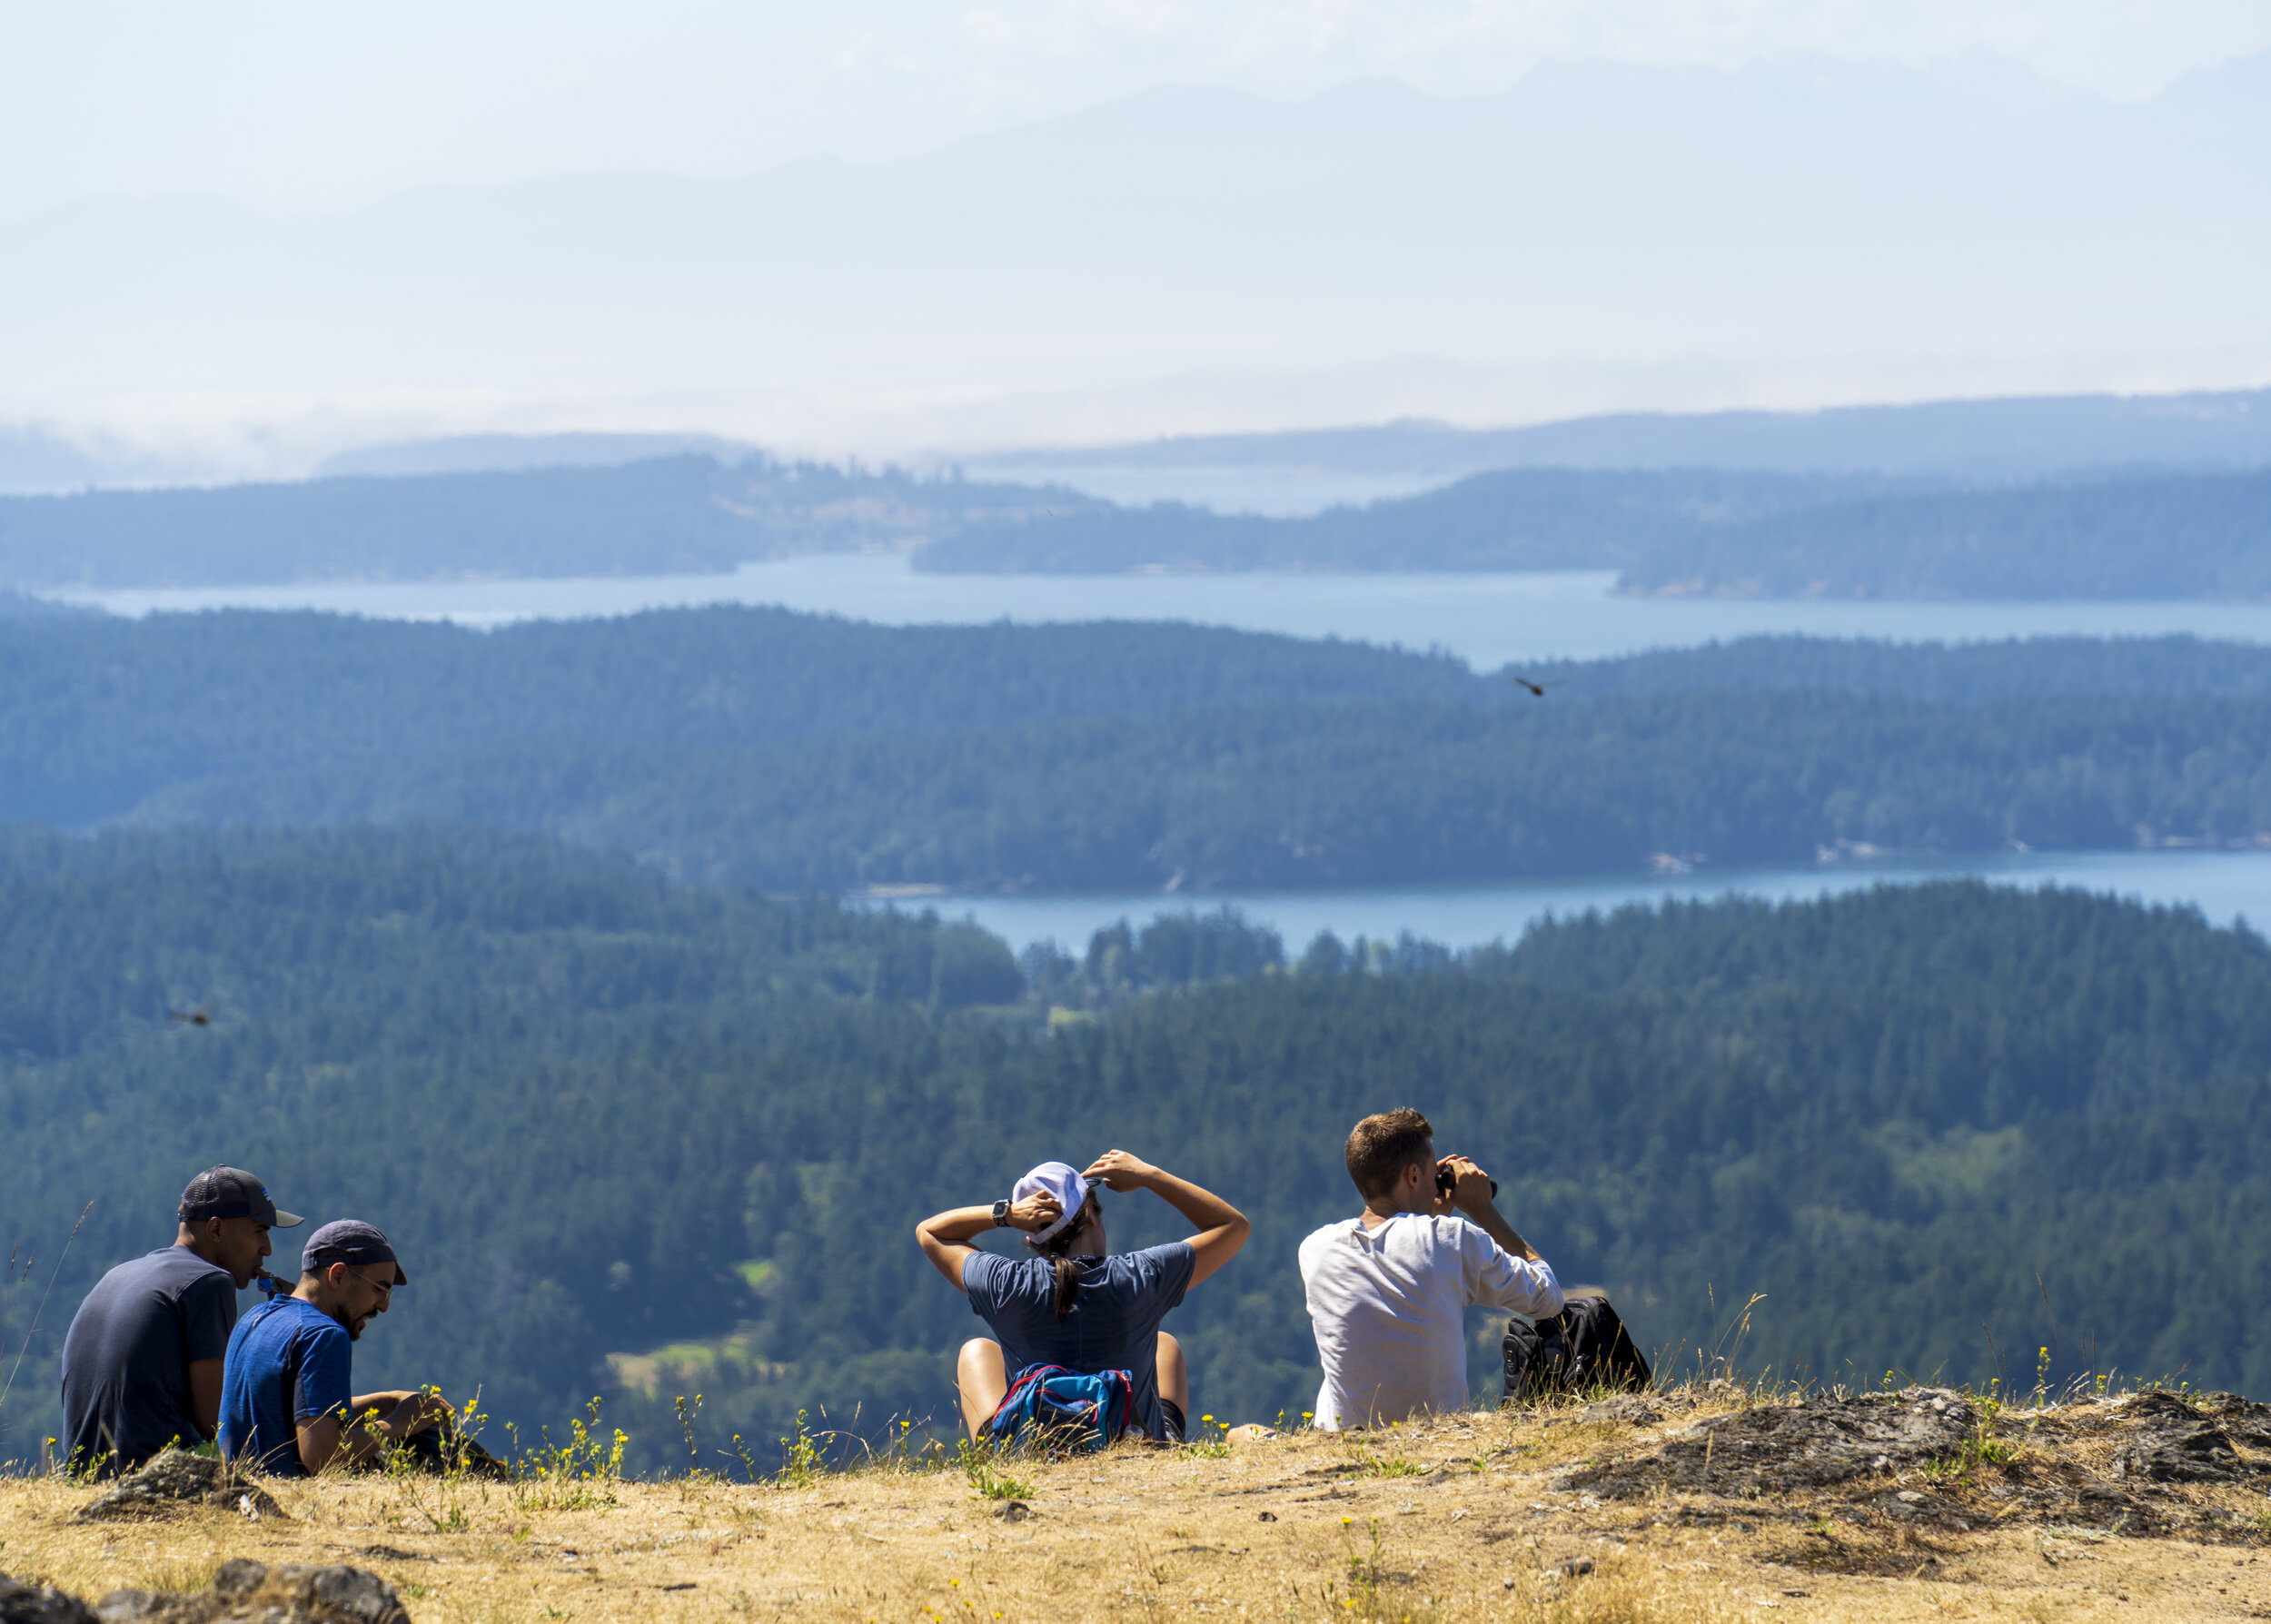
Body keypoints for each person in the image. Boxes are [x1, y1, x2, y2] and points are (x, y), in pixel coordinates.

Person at [916, 1150, 1248, 1444]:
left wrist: (1004, 1214)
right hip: (1136, 1445)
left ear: (1033, 1241)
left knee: (976, 1351)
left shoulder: (1006, 1283)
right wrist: (1150, 1175)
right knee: (1165, 1344)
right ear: (1091, 1214)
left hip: (1037, 1451)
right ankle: (1164, 1440)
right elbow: (1232, 1226)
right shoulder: (1142, 1275)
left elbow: (930, 1232)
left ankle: (998, 1455)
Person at [1300, 1108, 1562, 1430]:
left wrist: (1426, 1212)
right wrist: (1483, 1210)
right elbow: (1548, 1298)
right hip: (1437, 1433)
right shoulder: (1451, 1238)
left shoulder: (1315, 1249)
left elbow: (1399, 1255)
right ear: (1413, 1176)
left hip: (1346, 1440)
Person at [58, 1166, 303, 1475]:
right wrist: (290, 1332)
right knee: (313, 1445)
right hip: (151, 1470)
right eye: (259, 1231)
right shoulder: (210, 1281)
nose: (267, 1248)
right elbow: (217, 1420)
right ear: (216, 1229)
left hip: (84, 1473)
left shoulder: (118, 1274)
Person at [217, 1220, 451, 1477]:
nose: (383, 1306)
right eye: (379, 1289)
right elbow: (320, 1455)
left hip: (241, 1486)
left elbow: (293, 1413)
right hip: (290, 1491)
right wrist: (399, 1423)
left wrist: (389, 1401)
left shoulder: (255, 1318)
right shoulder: (323, 1334)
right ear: (338, 1275)